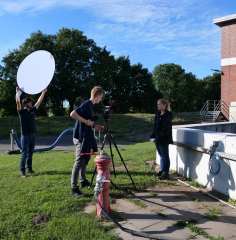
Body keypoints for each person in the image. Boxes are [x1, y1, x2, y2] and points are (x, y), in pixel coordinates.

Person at [70, 86, 104, 197]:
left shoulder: (90, 105)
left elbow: (87, 122)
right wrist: (86, 121)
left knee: (85, 159)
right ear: (98, 96)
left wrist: (94, 126)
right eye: (101, 97)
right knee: (79, 161)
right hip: (79, 137)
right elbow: (73, 114)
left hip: (84, 136)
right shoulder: (87, 104)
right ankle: (73, 189)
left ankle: (83, 181)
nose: (101, 100)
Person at [15, 86, 47, 177]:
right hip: (25, 137)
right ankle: (22, 172)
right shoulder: (21, 112)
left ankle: (29, 169)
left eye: (30, 102)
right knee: (24, 155)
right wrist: (17, 93)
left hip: (33, 136)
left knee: (30, 154)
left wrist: (43, 92)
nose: (31, 103)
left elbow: (39, 101)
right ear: (25, 104)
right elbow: (17, 102)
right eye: (29, 102)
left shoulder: (32, 110)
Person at [150, 99, 173, 180]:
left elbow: (166, 129)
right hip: (157, 139)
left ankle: (166, 173)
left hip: (163, 140)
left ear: (164, 105)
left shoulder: (167, 115)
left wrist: (159, 138)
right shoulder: (158, 114)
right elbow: (156, 127)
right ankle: (161, 171)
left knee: (165, 156)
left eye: (159, 104)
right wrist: (153, 136)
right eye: (157, 104)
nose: (158, 106)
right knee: (161, 156)